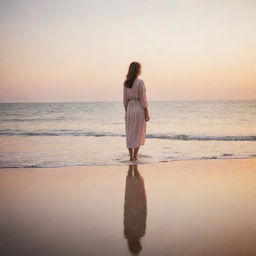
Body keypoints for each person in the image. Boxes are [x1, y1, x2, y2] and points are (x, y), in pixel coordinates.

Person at [123, 62, 150, 162]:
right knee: (138, 132)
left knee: (130, 133)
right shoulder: (140, 83)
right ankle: (135, 156)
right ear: (138, 70)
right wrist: (146, 112)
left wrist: (126, 113)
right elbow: (143, 99)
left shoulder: (126, 83)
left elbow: (125, 101)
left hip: (130, 108)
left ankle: (130, 156)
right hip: (139, 108)